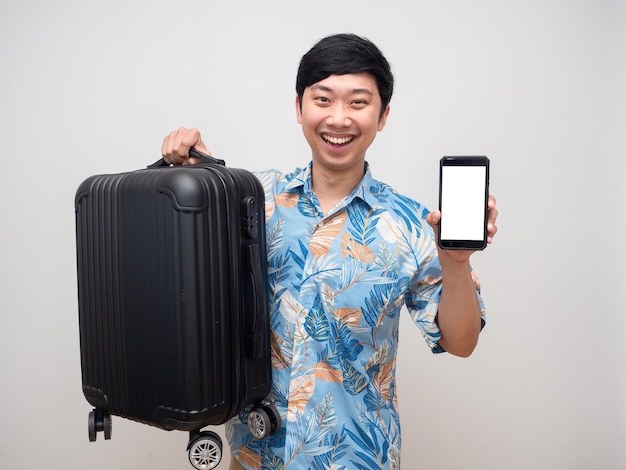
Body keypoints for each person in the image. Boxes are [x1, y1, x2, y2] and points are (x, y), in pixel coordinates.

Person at [162, 33, 498, 470]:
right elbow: (188, 244)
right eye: (323, 99)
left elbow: (461, 342)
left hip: (357, 460)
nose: (339, 118)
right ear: (299, 107)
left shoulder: (412, 225)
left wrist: (456, 264)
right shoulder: (251, 200)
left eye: (358, 102)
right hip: (255, 458)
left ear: (383, 116)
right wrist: (190, 165)